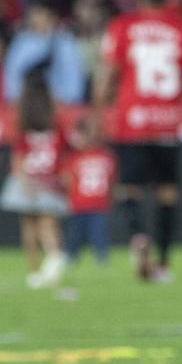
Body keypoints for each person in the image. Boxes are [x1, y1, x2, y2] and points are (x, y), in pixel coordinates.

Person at [95, 0, 182, 282]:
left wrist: (99, 110)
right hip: (167, 124)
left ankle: (138, 235)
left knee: (130, 189)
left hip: (131, 122)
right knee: (167, 193)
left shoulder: (123, 26)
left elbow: (107, 76)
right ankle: (163, 263)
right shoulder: (181, 31)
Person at [0, 75, 69, 288]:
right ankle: (55, 257)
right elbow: (65, 150)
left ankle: (34, 271)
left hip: (27, 179)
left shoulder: (24, 122)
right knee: (49, 225)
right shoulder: (56, 121)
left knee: (28, 226)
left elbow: (18, 156)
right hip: (50, 178)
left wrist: (23, 181)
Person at [63, 110, 117, 265]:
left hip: (99, 204)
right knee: (75, 234)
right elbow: (68, 180)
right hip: (78, 203)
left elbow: (112, 180)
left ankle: (101, 257)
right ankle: (71, 256)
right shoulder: (74, 157)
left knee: (99, 233)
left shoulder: (106, 155)